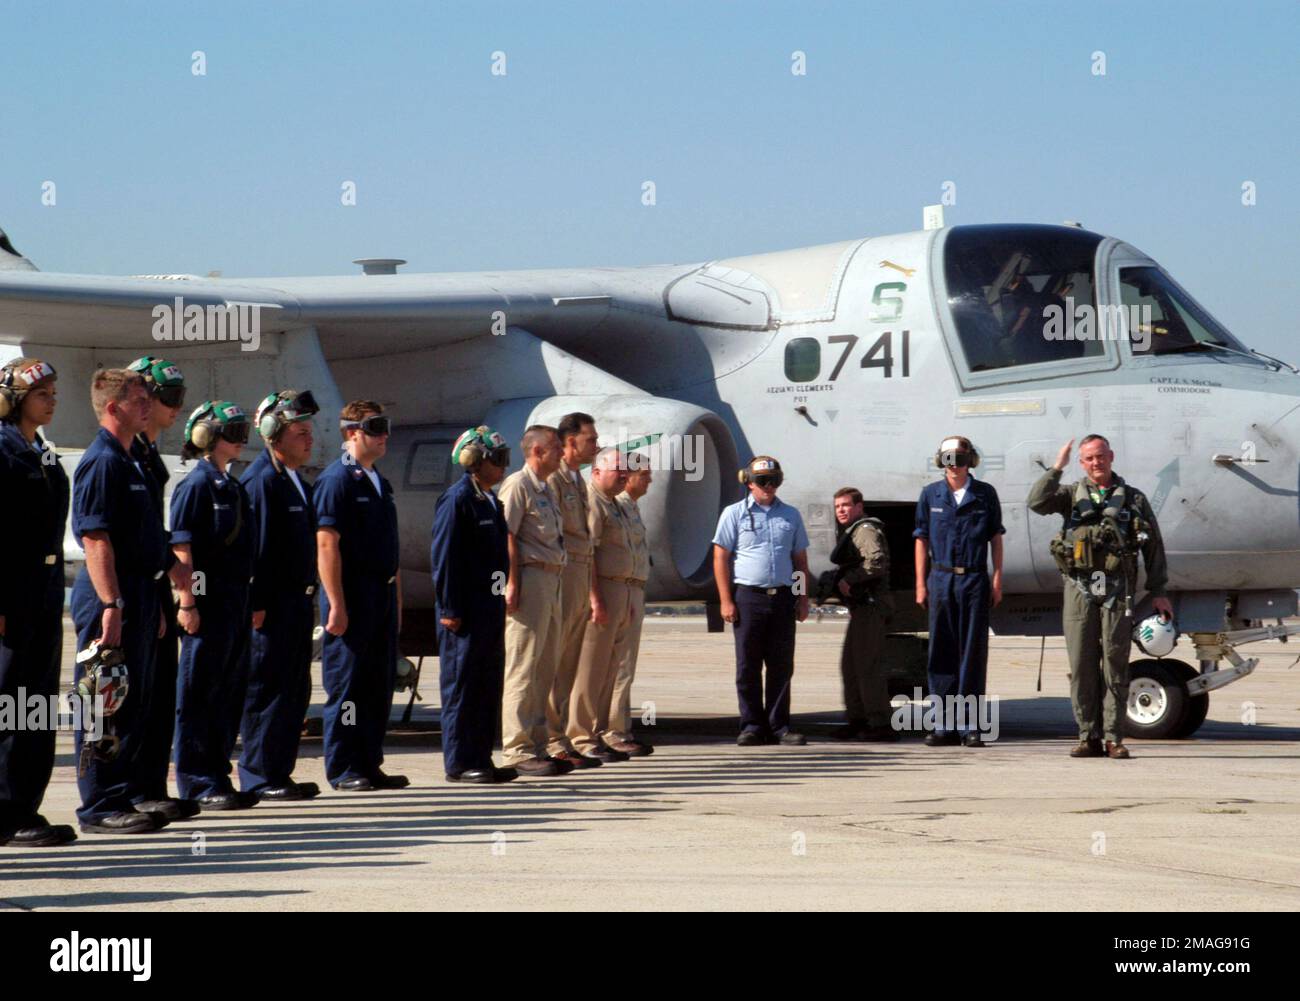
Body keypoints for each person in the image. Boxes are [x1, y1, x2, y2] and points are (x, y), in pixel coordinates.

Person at [70, 369, 178, 833]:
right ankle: (99, 804)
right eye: (137, 400)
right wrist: (112, 605)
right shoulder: (103, 462)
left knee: (133, 702)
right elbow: (96, 540)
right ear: (112, 408)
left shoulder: (134, 458)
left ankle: (127, 791)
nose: (147, 406)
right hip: (108, 595)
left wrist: (153, 599)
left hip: (138, 592)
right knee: (103, 701)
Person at [1028, 435, 1172, 759]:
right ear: (1081, 463)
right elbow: (1036, 502)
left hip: (1116, 587)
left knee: (1115, 665)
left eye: (1101, 457)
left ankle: (1113, 737)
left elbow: (1153, 546)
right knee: (1081, 664)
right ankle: (1086, 735)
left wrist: (1159, 591)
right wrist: (1056, 468)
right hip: (1081, 586)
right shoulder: (1068, 496)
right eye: (1089, 458)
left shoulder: (1134, 499)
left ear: (1111, 457)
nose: (1096, 463)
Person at [0, 359, 76, 847]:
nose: (51, 398)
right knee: (10, 703)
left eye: (52, 390)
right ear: (13, 399)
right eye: (41, 392)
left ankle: (26, 805)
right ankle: (5, 811)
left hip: (44, 594)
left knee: (37, 704)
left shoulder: (40, 451)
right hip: (13, 597)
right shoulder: (3, 452)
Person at [170, 401, 258, 809]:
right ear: (207, 437)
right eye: (231, 433)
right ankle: (197, 780)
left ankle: (217, 773)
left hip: (234, 602)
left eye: (243, 432)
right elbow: (183, 547)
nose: (240, 440)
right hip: (207, 602)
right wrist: (187, 601)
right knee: (199, 692)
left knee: (228, 690)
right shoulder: (196, 485)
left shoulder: (231, 485)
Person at [315, 401, 407, 791]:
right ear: (352, 432)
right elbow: (326, 544)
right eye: (375, 427)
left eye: (385, 426)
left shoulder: (377, 481)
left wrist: (396, 601)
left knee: (376, 684)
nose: (384, 434)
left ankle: (369, 761)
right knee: (349, 687)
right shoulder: (338, 480)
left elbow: (390, 546)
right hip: (353, 595)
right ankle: (344, 766)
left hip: (380, 596)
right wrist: (335, 603)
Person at [237, 390, 323, 800]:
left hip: (296, 605)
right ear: (273, 433)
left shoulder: (293, 482)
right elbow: (256, 552)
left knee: (293, 690)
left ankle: (279, 771)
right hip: (271, 609)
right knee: (267, 690)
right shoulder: (261, 483)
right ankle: (259, 775)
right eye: (301, 432)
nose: (310, 440)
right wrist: (256, 605)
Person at [124, 355, 199, 822]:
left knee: (155, 695)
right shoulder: (119, 456)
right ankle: (123, 793)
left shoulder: (147, 456)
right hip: (127, 588)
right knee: (126, 699)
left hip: (151, 586)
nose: (175, 408)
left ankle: (149, 786)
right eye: (167, 398)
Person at [431, 425, 517, 784]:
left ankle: (481, 757)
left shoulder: (489, 501)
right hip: (464, 612)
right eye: (496, 460)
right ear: (474, 461)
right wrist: (450, 609)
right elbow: (445, 557)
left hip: (488, 609)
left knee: (485, 685)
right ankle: (459, 763)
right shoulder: (457, 500)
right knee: (462, 688)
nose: (503, 467)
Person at [712, 455, 811, 747]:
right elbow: (720, 557)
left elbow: (800, 561)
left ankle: (780, 726)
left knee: (781, 664)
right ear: (749, 483)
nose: (768, 486)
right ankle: (752, 725)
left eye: (774, 481)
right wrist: (725, 600)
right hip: (748, 598)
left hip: (781, 597)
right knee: (748, 665)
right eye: (762, 481)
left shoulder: (790, 515)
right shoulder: (734, 514)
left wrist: (802, 598)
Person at [913, 435, 1004, 747]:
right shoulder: (930, 495)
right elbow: (921, 539)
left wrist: (997, 580)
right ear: (941, 461)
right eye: (949, 458)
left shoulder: (985, 494)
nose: (955, 465)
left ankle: (971, 726)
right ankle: (943, 725)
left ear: (971, 461)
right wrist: (920, 584)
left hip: (975, 580)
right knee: (941, 652)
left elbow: (996, 538)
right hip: (941, 580)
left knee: (972, 654)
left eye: (961, 459)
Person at [499, 425, 573, 777]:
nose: (562, 452)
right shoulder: (518, 485)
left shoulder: (545, 487)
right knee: (523, 666)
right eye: (556, 447)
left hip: (552, 579)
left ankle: (539, 744)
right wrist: (511, 582)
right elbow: (506, 536)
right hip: (530, 579)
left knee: (545, 666)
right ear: (537, 452)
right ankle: (516, 748)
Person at [567, 448, 640, 763]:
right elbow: (589, 556)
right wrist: (595, 598)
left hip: (621, 590)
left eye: (626, 470)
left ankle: (599, 732)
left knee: (610, 670)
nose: (625, 475)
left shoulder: (618, 504)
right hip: (603, 591)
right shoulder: (594, 502)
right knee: (590, 669)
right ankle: (580, 736)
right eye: (617, 470)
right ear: (596, 472)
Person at [545, 412, 601, 770]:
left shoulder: (577, 481)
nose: (595, 445)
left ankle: (561, 735)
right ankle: (550, 739)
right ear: (570, 442)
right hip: (563, 576)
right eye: (590, 439)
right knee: (554, 661)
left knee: (569, 663)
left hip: (580, 574)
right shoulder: (552, 480)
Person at [827, 487, 896, 742]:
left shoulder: (865, 530)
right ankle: (857, 720)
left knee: (868, 667)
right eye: (837, 507)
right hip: (861, 608)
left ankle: (880, 724)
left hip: (871, 605)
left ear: (859, 506)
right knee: (851, 667)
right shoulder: (854, 531)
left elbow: (876, 561)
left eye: (846, 505)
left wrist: (850, 580)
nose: (841, 511)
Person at [603, 459, 654, 755]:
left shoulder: (631, 507)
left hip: (633, 589)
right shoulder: (616, 505)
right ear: (628, 477)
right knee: (617, 667)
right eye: (644, 475)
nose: (649, 481)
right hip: (620, 589)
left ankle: (619, 728)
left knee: (625, 666)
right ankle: (614, 731)